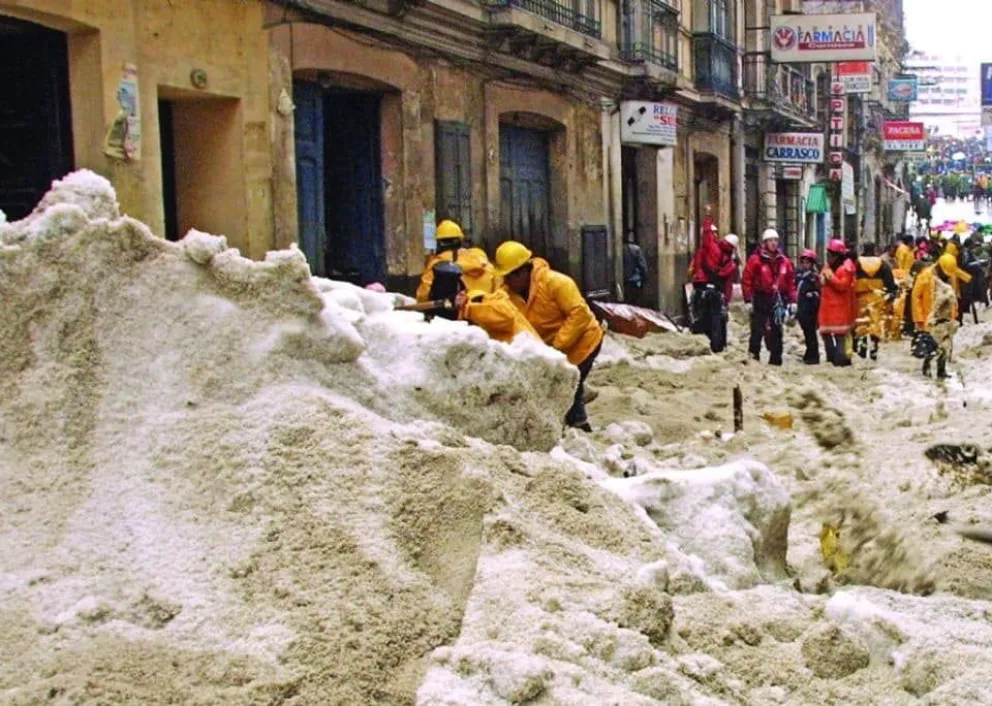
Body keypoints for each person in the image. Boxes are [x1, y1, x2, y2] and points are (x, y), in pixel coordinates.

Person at [493, 241, 604, 432]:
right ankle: (576, 414)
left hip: (584, 340)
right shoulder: (509, 294)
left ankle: (579, 426)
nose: (506, 282)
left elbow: (579, 314)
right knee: (565, 384)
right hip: (554, 348)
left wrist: (557, 346)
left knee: (567, 384)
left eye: (509, 277)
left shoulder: (557, 282)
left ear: (523, 272)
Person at [742, 229, 796, 366]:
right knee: (757, 328)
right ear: (764, 243)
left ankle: (776, 359)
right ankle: (753, 357)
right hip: (761, 297)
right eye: (770, 241)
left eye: (775, 240)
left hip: (777, 299)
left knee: (777, 329)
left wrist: (792, 300)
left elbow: (791, 282)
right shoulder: (755, 260)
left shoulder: (784, 261)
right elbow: (747, 279)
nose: (773, 243)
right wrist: (748, 299)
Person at [416, 220, 497, 302]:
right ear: (461, 240)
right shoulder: (481, 259)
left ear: (439, 243)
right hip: (487, 306)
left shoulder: (438, 264)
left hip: (457, 308)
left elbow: (422, 296)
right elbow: (498, 289)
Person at [912, 254, 961, 379]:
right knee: (931, 343)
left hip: (946, 315)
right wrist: (919, 317)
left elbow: (953, 296)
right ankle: (927, 366)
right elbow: (916, 296)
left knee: (945, 343)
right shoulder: (926, 275)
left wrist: (955, 313)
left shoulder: (950, 276)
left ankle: (941, 370)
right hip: (930, 315)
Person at [690, 223, 737, 353]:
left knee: (700, 316)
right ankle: (718, 347)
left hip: (700, 287)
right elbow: (728, 284)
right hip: (716, 291)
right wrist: (726, 300)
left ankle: (699, 343)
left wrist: (708, 220)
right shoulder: (730, 263)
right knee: (717, 319)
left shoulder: (710, 249)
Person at [854, 243, 898, 361]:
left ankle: (862, 351)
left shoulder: (858, 263)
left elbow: (852, 279)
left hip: (861, 298)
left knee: (862, 324)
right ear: (875, 250)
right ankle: (874, 351)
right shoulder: (882, 264)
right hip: (878, 298)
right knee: (876, 324)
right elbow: (890, 282)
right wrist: (891, 295)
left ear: (863, 249)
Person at [818, 239, 857, 367]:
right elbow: (821, 282)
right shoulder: (828, 267)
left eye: (831, 255)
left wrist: (831, 278)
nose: (829, 258)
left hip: (840, 309)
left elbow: (842, 286)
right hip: (827, 308)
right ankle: (831, 359)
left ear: (837, 256)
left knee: (840, 336)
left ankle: (840, 361)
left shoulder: (845, 269)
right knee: (826, 334)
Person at [796, 249, 821, 365]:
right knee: (806, 332)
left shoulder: (814, 277)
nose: (805, 265)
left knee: (811, 333)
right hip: (802, 308)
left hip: (810, 310)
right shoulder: (799, 275)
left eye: (807, 262)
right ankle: (809, 353)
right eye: (803, 262)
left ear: (812, 263)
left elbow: (819, 292)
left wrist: (812, 295)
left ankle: (813, 356)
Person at [623, 234, 649, 306]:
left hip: (624, 281)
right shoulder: (636, 249)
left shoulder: (620, 249)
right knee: (635, 303)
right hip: (634, 281)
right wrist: (644, 279)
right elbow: (643, 266)